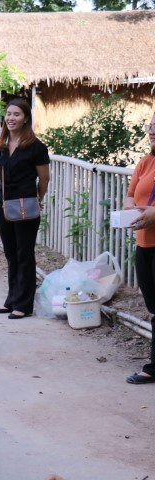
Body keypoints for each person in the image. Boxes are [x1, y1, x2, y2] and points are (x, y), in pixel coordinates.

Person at [0, 97, 50, 319]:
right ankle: (12, 300)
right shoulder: (0, 146)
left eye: (17, 114)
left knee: (24, 253)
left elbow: (44, 179)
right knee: (10, 253)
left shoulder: (36, 147)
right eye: (8, 114)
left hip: (26, 206)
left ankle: (23, 304)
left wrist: (38, 199)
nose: (11, 118)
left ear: (25, 119)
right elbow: (1, 174)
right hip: (4, 204)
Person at [123, 113, 155, 385]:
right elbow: (131, 193)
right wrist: (129, 207)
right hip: (145, 242)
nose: (152, 131)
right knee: (153, 305)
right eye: (151, 125)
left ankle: (153, 367)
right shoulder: (146, 162)